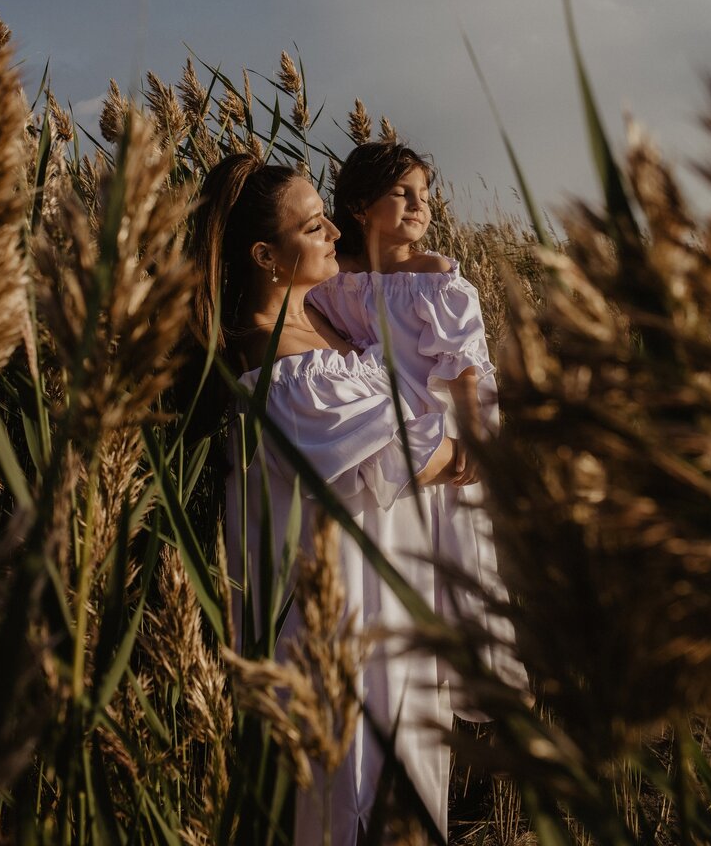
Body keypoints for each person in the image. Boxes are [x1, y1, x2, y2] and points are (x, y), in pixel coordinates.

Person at [187, 155, 460, 844]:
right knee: (356, 810)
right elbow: (422, 457)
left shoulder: (330, 322)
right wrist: (483, 444)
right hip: (341, 635)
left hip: (391, 611)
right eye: (314, 227)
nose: (335, 232)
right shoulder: (278, 374)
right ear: (266, 256)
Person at [307, 142, 528, 711]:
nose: (418, 205)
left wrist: (475, 437)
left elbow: (463, 361)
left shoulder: (431, 274)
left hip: (442, 427)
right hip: (386, 433)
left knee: (458, 552)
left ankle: (486, 683)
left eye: (424, 195)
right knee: (408, 555)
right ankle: (410, 680)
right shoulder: (340, 280)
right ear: (359, 207)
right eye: (400, 194)